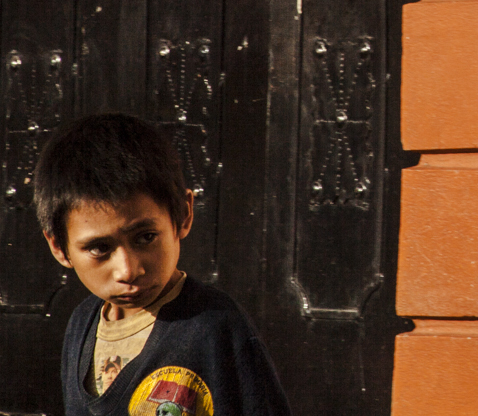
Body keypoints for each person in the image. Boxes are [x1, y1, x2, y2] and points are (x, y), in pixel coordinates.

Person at [34, 113, 291, 416]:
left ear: (183, 215)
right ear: (59, 248)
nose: (128, 270)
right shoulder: (81, 325)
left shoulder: (215, 329)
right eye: (99, 248)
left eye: (145, 237)